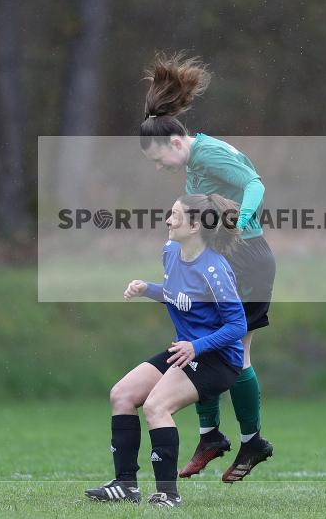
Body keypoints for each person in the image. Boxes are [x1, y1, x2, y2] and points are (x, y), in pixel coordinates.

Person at [138, 52, 276, 482]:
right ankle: (211, 435)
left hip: (247, 261)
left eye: (160, 159)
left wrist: (248, 215)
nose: (160, 168)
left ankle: (252, 441)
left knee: (234, 352)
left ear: (177, 143)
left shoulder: (208, 155)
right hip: (221, 259)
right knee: (197, 343)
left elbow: (254, 182)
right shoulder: (195, 160)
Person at [84, 194, 247, 507]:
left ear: (196, 225)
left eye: (175, 215)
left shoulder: (215, 271)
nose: (168, 221)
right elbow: (177, 295)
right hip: (185, 351)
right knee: (122, 394)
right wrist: (148, 289)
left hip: (218, 360)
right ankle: (125, 485)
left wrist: (196, 346)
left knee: (156, 406)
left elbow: (237, 326)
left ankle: (168, 495)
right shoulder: (171, 251)